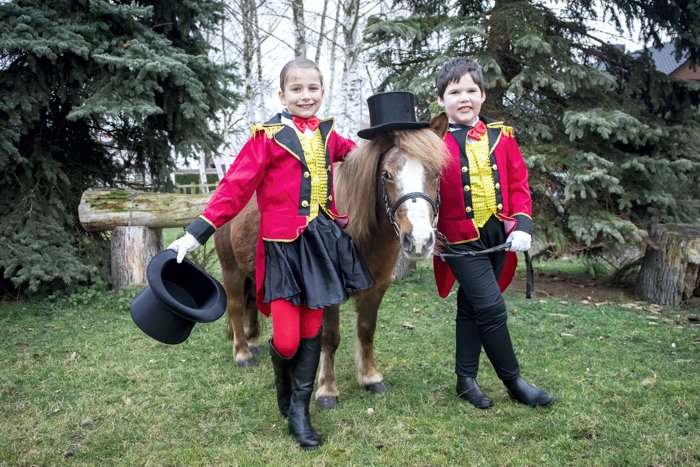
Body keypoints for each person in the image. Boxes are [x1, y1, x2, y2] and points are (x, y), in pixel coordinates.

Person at [169, 57, 374, 448]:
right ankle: (285, 391)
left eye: (313, 88)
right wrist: (197, 232)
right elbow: (234, 187)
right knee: (286, 340)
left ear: (322, 92)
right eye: (296, 89)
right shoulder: (267, 137)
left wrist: (393, 137)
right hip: (281, 250)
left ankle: (299, 411)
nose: (305, 95)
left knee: (313, 327)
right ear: (282, 95)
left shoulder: (331, 136)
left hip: (321, 247)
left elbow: (363, 155)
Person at [432, 57, 555, 409]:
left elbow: (519, 184)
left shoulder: (502, 137)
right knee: (491, 307)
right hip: (457, 240)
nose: (464, 98)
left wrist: (522, 225)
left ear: (483, 95)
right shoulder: (433, 142)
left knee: (471, 306)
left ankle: (465, 379)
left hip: (498, 236)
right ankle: (514, 381)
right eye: (454, 92)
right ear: (442, 100)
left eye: (471, 90)